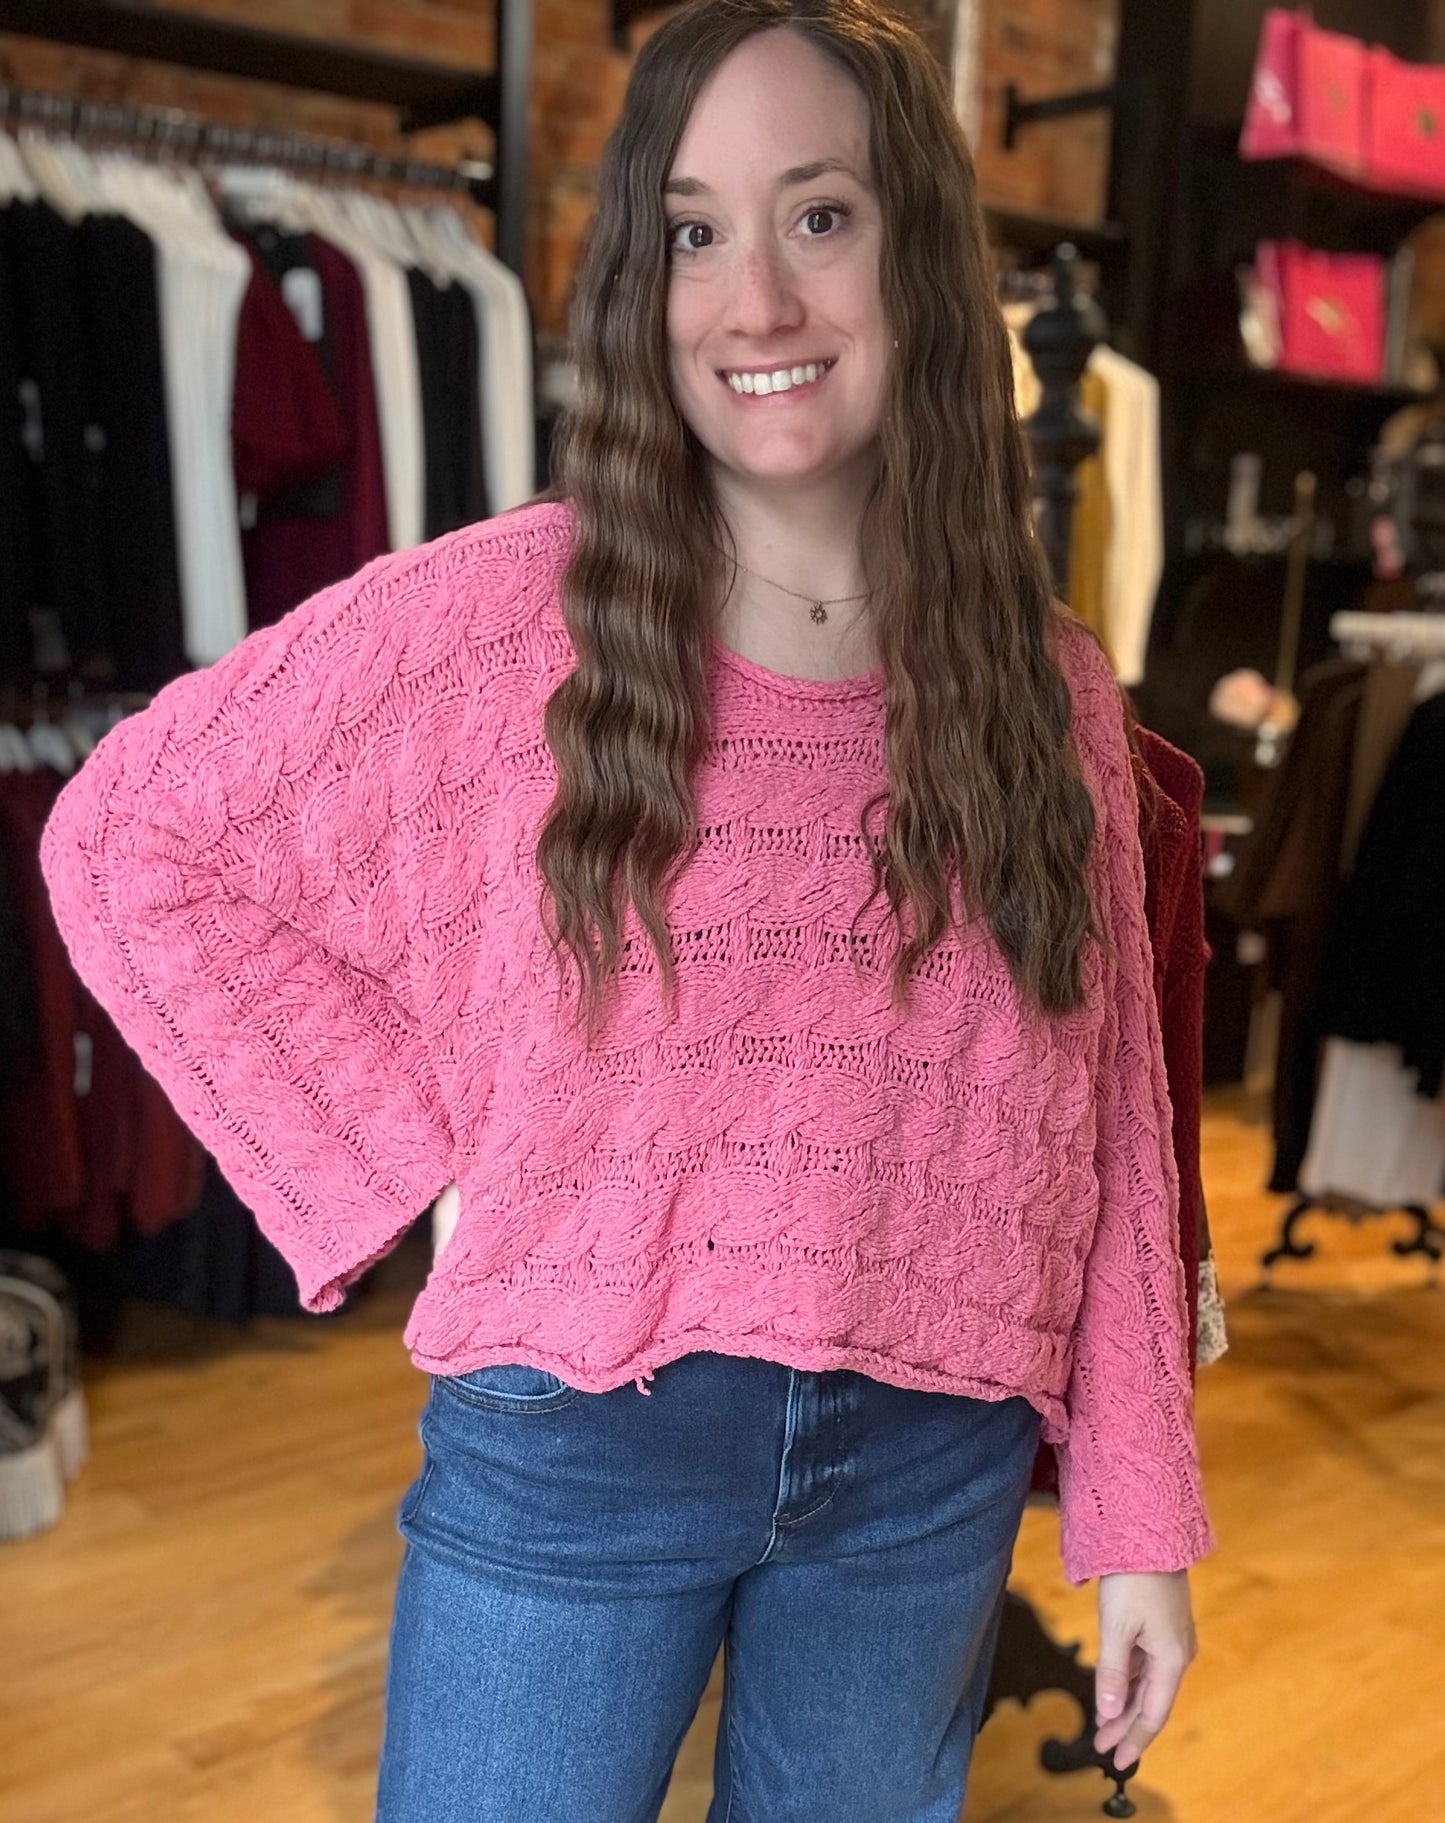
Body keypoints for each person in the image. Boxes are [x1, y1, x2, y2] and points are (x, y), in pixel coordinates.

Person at [38, 0, 1214, 1816]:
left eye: (818, 217)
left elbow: (1112, 1123)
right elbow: (128, 837)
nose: (753, 300)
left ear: (916, 250)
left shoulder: (1042, 684)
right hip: (580, 1439)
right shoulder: (508, 616)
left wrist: (1138, 1509)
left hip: (931, 1459)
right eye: (691, 231)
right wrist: (428, 1151)